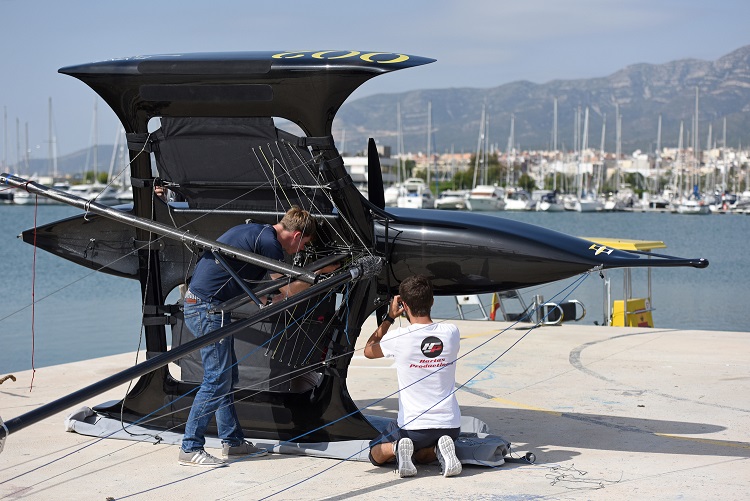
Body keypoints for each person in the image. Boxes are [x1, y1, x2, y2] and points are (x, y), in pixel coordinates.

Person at [179, 206, 330, 467]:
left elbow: (253, 288)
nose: (301, 250)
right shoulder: (270, 244)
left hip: (205, 305)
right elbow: (289, 290)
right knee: (216, 379)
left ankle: (233, 442)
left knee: (226, 377)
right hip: (206, 309)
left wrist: (269, 298)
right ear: (296, 236)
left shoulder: (256, 232)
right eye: (304, 244)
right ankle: (190, 447)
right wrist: (322, 273)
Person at [364, 275, 462, 478]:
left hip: (414, 428)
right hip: (450, 426)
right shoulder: (452, 332)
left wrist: (390, 317)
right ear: (432, 301)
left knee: (375, 452)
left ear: (404, 305)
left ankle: (398, 447)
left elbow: (368, 350)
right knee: (422, 454)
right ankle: (438, 449)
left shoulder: (398, 338)